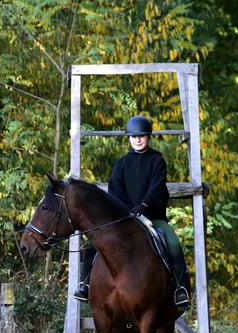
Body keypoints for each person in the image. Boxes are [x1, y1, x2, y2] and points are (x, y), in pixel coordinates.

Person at [74, 115, 191, 311]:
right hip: (123, 218)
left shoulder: (157, 161)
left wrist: (143, 205)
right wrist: (124, 210)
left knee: (172, 241)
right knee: (93, 243)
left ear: (148, 137)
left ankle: (181, 288)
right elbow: (115, 192)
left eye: (141, 136)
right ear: (128, 138)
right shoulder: (121, 163)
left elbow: (156, 188)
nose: (138, 140)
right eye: (134, 136)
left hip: (151, 216)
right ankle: (85, 284)